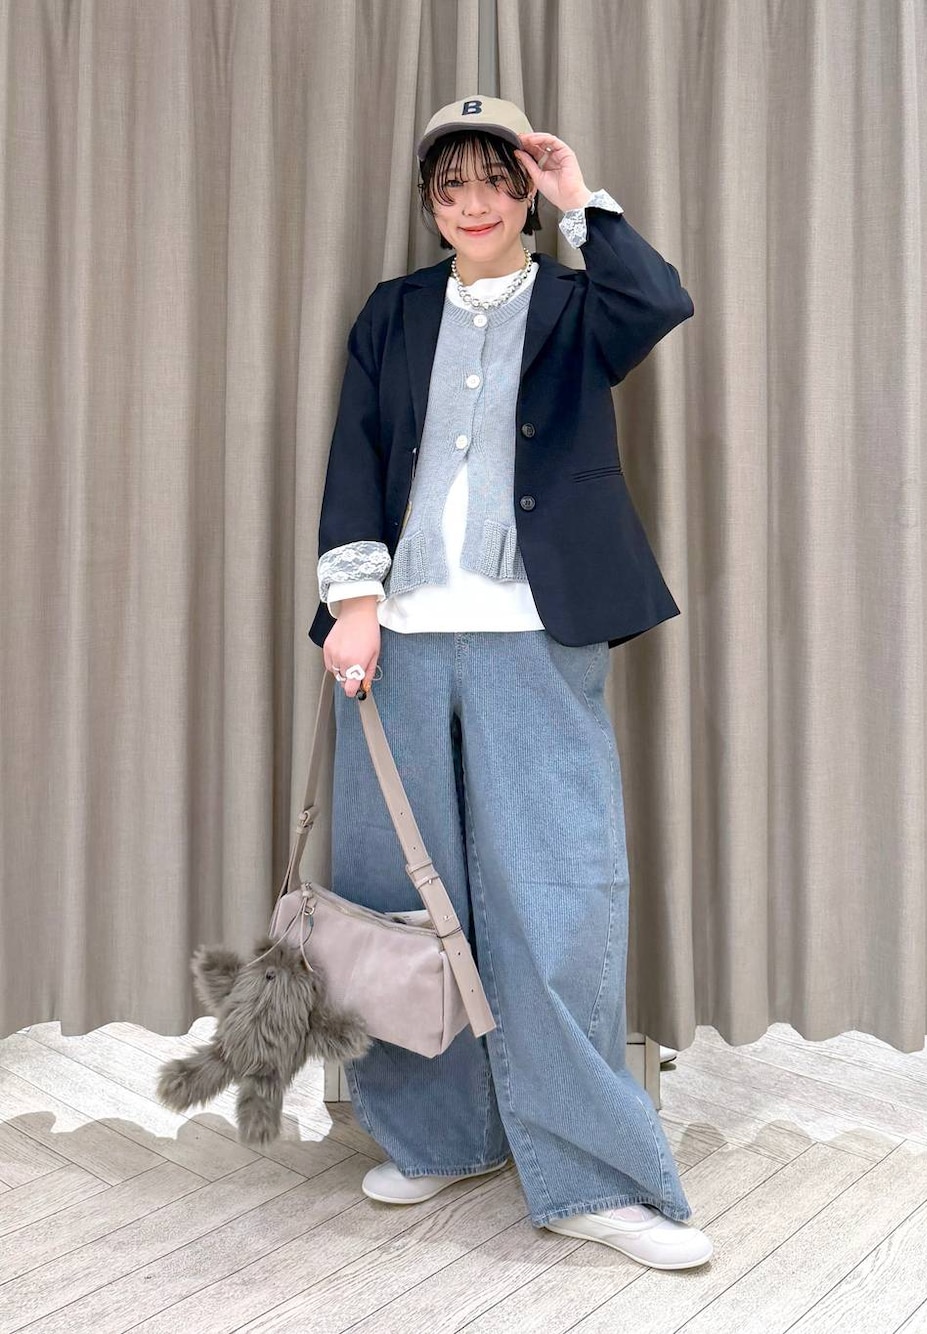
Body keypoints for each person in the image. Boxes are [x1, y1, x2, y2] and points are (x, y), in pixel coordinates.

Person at [308, 95, 712, 1271]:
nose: (474, 203)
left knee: (556, 897)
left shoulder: (581, 306)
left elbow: (659, 300)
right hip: (399, 639)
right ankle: (439, 1136)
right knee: (402, 898)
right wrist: (354, 601)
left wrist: (582, 198)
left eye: (496, 181)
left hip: (539, 632)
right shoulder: (393, 312)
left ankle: (595, 1177)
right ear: (429, 204)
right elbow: (356, 455)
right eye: (451, 187)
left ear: (525, 192)